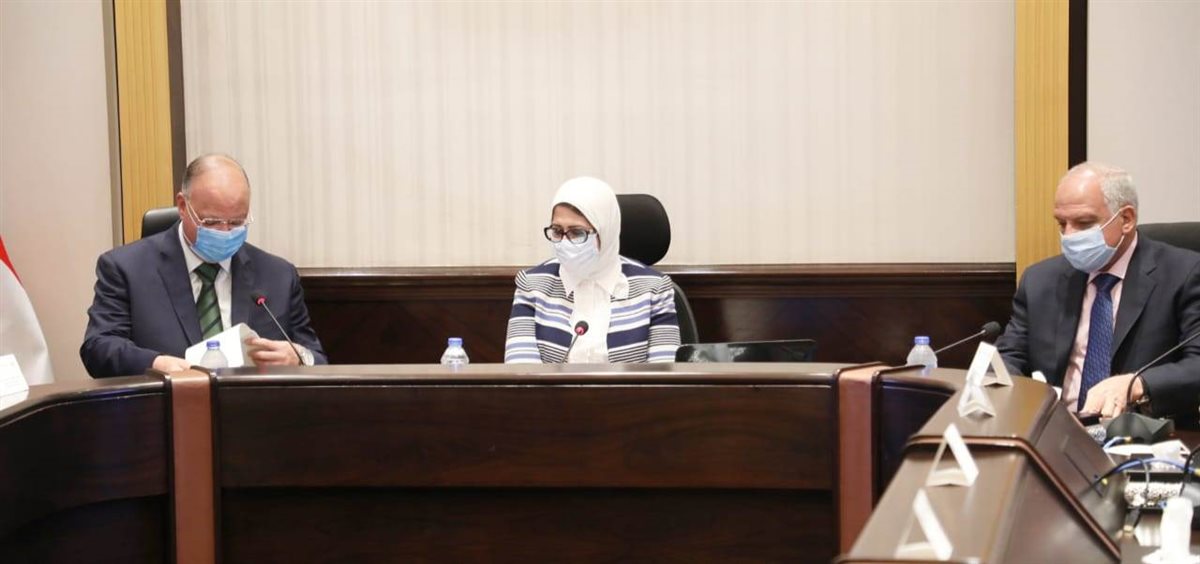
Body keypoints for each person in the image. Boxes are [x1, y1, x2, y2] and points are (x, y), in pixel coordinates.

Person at [81, 154, 327, 377]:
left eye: (237, 222)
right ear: (182, 206)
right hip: (165, 406)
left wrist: (300, 357)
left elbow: (318, 360)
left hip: (251, 409)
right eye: (211, 222)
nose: (225, 231)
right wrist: (156, 363)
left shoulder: (278, 275)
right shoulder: (126, 269)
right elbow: (99, 348)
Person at [996, 162, 1200, 418]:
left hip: (1143, 431)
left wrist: (1138, 383)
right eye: (1062, 224)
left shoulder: (1184, 274)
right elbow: (1011, 355)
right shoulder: (1040, 280)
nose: (1069, 235)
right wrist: (999, 383)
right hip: (1055, 427)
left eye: (1083, 223)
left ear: (1126, 219)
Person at [505, 177, 681, 363]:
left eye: (576, 232)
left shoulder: (654, 290)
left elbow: (663, 375)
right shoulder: (532, 285)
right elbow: (522, 372)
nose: (564, 242)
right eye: (557, 230)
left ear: (606, 231)